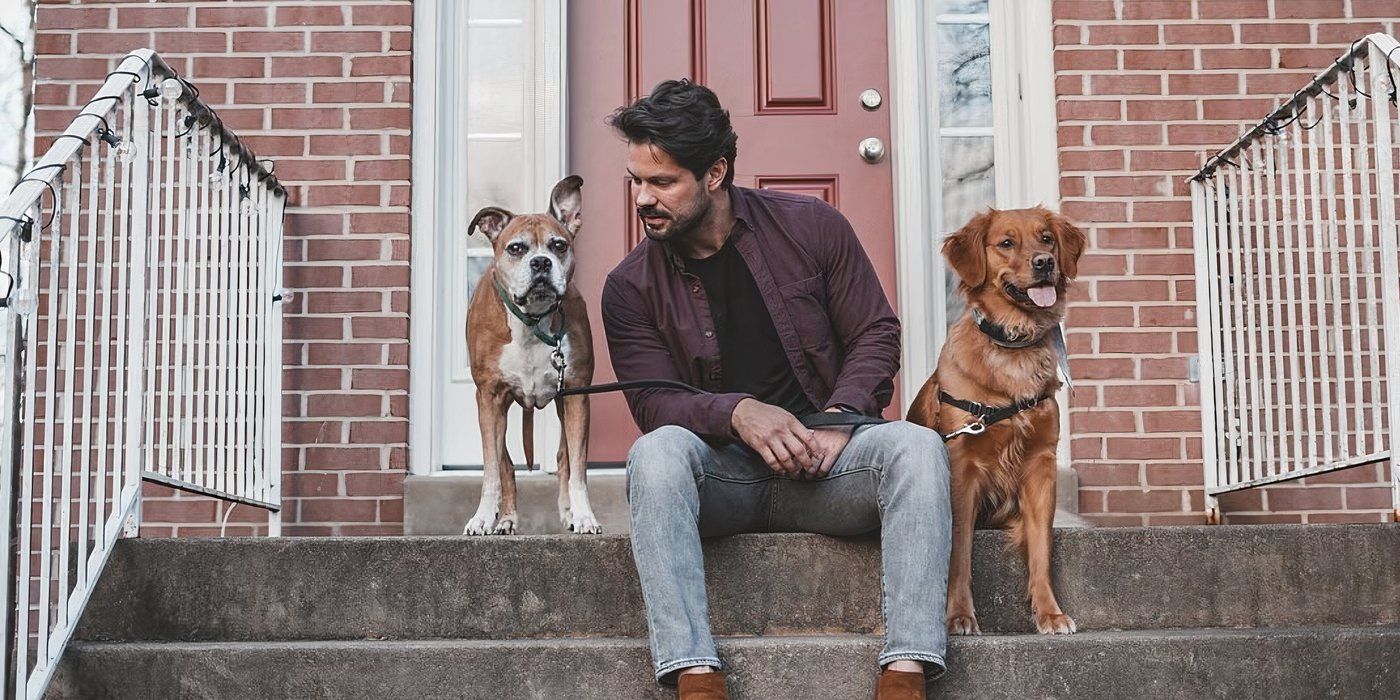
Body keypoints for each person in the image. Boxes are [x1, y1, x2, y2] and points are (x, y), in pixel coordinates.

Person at [601, 79, 952, 700]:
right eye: (636, 181)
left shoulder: (813, 229)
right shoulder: (629, 287)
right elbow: (654, 406)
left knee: (917, 447)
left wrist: (840, 419)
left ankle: (906, 670)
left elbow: (875, 333)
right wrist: (737, 414)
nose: (642, 199)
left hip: (829, 467)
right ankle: (694, 674)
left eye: (662, 183)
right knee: (653, 456)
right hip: (724, 482)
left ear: (716, 173)